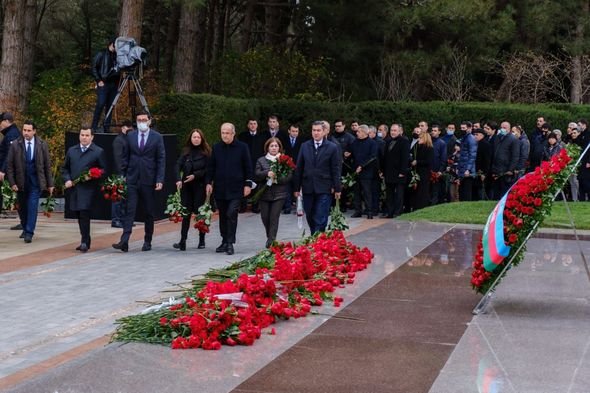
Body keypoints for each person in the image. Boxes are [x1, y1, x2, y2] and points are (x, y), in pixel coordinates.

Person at [112, 111, 165, 252]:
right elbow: (125, 156)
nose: (141, 122)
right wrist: (123, 174)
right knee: (130, 210)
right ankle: (124, 241)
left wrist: (159, 178)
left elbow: (161, 159)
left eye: (144, 119)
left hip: (149, 178)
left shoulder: (157, 137)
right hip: (132, 178)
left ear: (149, 121)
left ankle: (148, 240)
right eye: (138, 120)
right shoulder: (130, 136)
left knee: (148, 211)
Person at [206, 122, 253, 255]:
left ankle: (230, 242)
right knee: (223, 215)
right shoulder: (216, 147)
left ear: (233, 133)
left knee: (231, 213)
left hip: (236, 188)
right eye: (222, 133)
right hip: (220, 188)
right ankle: (224, 240)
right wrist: (208, 182)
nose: (225, 135)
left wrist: (248, 184)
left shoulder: (242, 147)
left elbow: (248, 167)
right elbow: (211, 167)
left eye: (227, 133)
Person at [6, 120, 54, 243]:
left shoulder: (42, 144)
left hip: (35, 182)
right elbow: (10, 166)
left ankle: (29, 232)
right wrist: (12, 183)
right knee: (22, 208)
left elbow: (47, 165)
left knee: (32, 207)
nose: (26, 133)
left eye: (28, 130)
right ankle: (25, 226)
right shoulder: (16, 144)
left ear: (34, 131)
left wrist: (50, 184)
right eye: (24, 130)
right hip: (20, 182)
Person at [62, 126, 107, 252]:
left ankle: (85, 242)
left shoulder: (98, 151)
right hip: (74, 188)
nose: (84, 137)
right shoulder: (72, 151)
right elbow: (65, 168)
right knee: (78, 214)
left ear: (92, 137)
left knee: (84, 213)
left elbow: (104, 170)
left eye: (87, 135)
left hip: (88, 189)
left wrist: (93, 174)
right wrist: (67, 179)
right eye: (82, 135)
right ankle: (85, 238)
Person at [293, 120, 342, 234]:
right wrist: (296, 188)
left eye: (318, 130)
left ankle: (317, 238)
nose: (316, 133)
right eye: (314, 130)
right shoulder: (305, 146)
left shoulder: (332, 147)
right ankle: (315, 236)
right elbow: (299, 167)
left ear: (324, 131)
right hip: (308, 187)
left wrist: (337, 187)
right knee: (310, 215)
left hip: (324, 187)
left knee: (320, 216)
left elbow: (335, 169)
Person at [173, 129, 211, 251]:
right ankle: (182, 240)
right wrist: (178, 179)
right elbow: (177, 165)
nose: (196, 139)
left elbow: (208, 170)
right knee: (186, 214)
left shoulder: (206, 153)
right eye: (194, 137)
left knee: (200, 214)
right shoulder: (185, 152)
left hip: (199, 186)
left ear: (202, 139)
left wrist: (196, 175)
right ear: (190, 138)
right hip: (186, 187)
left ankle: (202, 240)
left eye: (198, 137)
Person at [255, 138, 292, 248]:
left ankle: (271, 240)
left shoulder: (284, 160)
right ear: (267, 148)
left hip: (279, 194)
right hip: (264, 194)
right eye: (272, 146)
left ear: (279, 147)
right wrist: (267, 173)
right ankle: (270, 237)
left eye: (276, 146)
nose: (274, 148)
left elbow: (289, 176)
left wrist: (277, 178)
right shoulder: (261, 160)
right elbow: (257, 174)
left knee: (274, 217)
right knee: (265, 218)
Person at [91, 38, 120, 133]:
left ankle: (106, 127)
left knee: (110, 106)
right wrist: (98, 80)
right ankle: (94, 127)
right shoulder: (101, 54)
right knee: (101, 103)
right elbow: (94, 67)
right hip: (104, 83)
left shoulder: (117, 56)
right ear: (112, 44)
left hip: (114, 84)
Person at [349, 124, 378, 219]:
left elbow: (373, 157)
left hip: (367, 172)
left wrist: (362, 166)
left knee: (367, 192)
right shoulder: (355, 142)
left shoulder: (372, 143)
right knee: (356, 192)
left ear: (365, 133)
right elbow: (351, 153)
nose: (357, 133)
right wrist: (347, 154)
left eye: (359, 131)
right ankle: (358, 211)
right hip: (355, 171)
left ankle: (369, 211)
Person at [381, 124, 409, 218]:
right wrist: (382, 171)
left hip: (399, 173)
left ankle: (398, 212)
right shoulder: (388, 141)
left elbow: (405, 158)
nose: (393, 132)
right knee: (389, 194)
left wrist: (402, 171)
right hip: (389, 173)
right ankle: (390, 212)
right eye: (392, 130)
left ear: (400, 131)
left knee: (399, 194)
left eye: (395, 130)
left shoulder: (404, 141)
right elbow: (385, 157)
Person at [238, 118, 265, 213]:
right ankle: (242, 206)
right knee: (245, 184)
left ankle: (255, 206)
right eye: (251, 124)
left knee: (257, 186)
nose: (253, 125)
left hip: (257, 164)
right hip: (245, 163)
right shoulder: (242, 136)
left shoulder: (262, 136)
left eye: (254, 123)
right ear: (248, 125)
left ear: (257, 125)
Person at [111, 120, 132, 228]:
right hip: (121, 173)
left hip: (126, 172)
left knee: (124, 198)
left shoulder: (126, 139)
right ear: (123, 128)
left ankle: (123, 219)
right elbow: (118, 159)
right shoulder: (119, 140)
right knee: (118, 198)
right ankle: (116, 220)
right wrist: (121, 174)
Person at [0, 112, 21, 223]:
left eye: (1, 122)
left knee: (19, 196)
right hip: (9, 170)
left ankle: (24, 223)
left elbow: (9, 154)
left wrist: (3, 170)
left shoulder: (12, 134)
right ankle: (24, 223)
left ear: (7, 121)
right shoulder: (11, 133)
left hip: (8, 171)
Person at [490, 121, 519, 199]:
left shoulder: (513, 139)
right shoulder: (497, 137)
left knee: (504, 192)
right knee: (496, 191)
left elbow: (515, 156)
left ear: (509, 129)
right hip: (496, 169)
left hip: (506, 170)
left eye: (504, 128)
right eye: (501, 127)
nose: (502, 129)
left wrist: (510, 169)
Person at [282, 123, 304, 214]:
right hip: (286, 167)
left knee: (297, 188)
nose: (295, 133)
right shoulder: (284, 140)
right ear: (289, 131)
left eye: (296, 131)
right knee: (287, 187)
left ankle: (299, 208)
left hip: (298, 167)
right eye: (293, 131)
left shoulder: (302, 141)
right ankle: (287, 207)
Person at [411, 132, 434, 210]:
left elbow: (429, 161)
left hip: (424, 173)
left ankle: (422, 207)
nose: (418, 139)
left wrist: (417, 162)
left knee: (423, 191)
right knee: (417, 191)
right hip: (418, 172)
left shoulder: (429, 148)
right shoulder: (419, 147)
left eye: (420, 138)